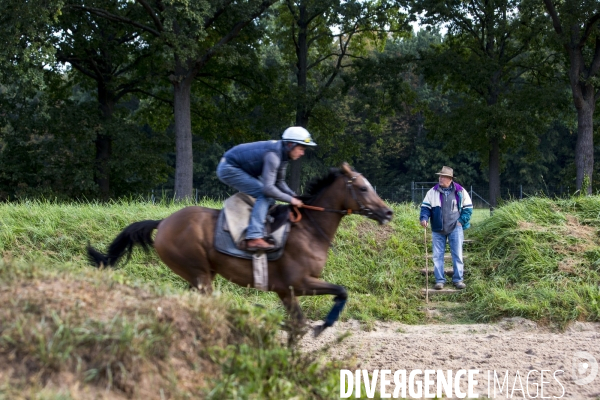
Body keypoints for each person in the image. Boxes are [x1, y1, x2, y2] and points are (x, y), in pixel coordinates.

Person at [216, 127, 316, 251]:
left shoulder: (283, 155)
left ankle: (260, 224)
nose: (303, 153)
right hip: (228, 167)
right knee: (264, 194)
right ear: (290, 144)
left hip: (239, 167)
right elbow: (268, 189)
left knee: (269, 198)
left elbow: (279, 182)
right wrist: (291, 200)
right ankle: (254, 237)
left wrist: (293, 195)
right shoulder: (273, 156)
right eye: (301, 149)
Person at [419, 166, 473, 290]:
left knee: (457, 254)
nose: (440, 178)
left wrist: (461, 221)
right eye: (440, 176)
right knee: (437, 255)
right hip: (438, 229)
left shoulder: (460, 191)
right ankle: (439, 280)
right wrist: (424, 218)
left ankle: (458, 280)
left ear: (449, 179)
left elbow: (468, 208)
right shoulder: (432, 192)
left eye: (443, 176)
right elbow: (425, 208)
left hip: (455, 227)